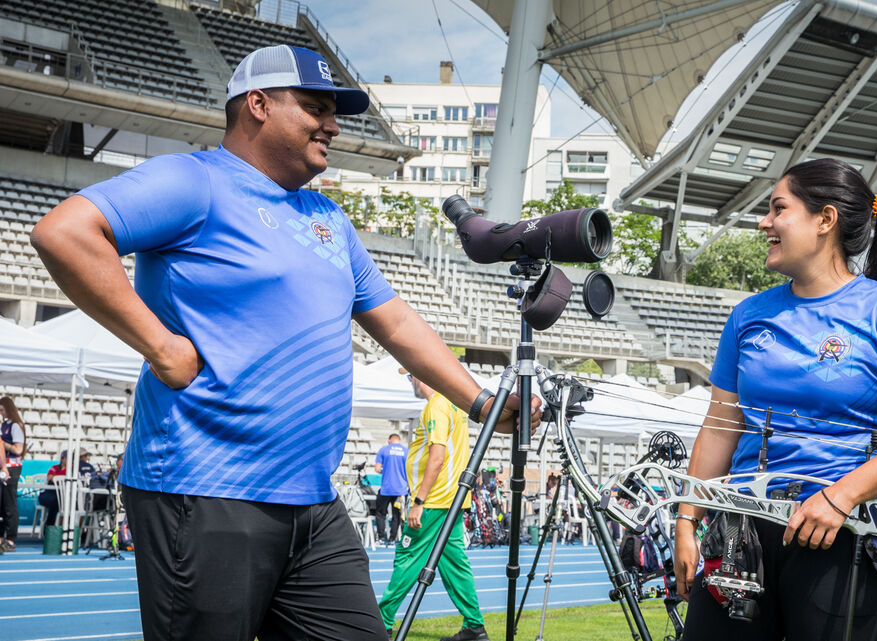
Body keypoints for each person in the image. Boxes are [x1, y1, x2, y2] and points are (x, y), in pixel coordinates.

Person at [31, 44, 537, 641]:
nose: (332, 124)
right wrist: (161, 346)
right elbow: (63, 232)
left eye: (333, 111)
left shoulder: (327, 216)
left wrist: (480, 403)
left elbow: (395, 322)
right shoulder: (195, 180)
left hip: (312, 501)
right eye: (315, 107)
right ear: (258, 104)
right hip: (206, 488)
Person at [674, 158, 877, 641]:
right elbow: (721, 425)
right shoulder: (748, 315)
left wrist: (841, 496)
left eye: (778, 208)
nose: (764, 222)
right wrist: (688, 519)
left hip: (843, 531)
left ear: (824, 220)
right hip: (742, 530)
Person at [378, 375, 488, 641]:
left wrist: (419, 501)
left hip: (434, 502)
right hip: (452, 501)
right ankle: (475, 626)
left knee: (407, 558)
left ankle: (381, 623)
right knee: (455, 565)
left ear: (419, 376)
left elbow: (437, 457)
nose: (410, 382)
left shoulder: (436, 406)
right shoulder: (454, 406)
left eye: (410, 377)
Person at [0, 396, 26, 552]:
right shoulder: (5, 425)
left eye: (2, 410)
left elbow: (18, 450)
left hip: (12, 466)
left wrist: (4, 444)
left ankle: (11, 538)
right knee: (2, 504)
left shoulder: (16, 426)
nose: (1, 413)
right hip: (4, 467)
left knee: (9, 504)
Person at [374, 432, 409, 545]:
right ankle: (393, 538)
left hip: (386, 488)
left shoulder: (384, 450)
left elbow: (377, 468)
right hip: (401, 489)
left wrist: (387, 470)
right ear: (399, 440)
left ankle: (381, 537)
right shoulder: (406, 451)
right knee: (397, 515)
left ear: (389, 440)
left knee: (380, 514)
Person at [38, 450, 69, 530]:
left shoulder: (72, 469)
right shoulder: (54, 467)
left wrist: (57, 478)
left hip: (63, 496)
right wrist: (61, 478)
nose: (69, 460)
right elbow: (50, 478)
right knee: (56, 502)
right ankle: (50, 527)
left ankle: (51, 528)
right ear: (62, 459)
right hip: (49, 494)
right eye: (67, 458)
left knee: (59, 502)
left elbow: (54, 478)